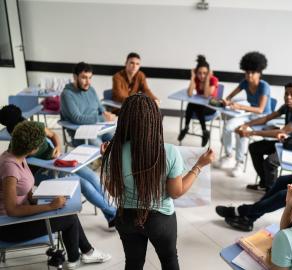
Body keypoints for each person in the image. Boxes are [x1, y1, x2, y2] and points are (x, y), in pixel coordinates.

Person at [100, 94, 215, 270]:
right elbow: (176, 192)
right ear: (154, 119)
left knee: (133, 263)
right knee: (169, 260)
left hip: (126, 218)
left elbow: (115, 192)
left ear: (123, 119)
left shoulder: (113, 152)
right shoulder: (169, 152)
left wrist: (105, 160)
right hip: (160, 220)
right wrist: (199, 165)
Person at [0, 121, 111, 270]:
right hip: (10, 226)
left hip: (20, 215)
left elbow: (25, 192)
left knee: (67, 209)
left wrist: (42, 198)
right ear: (33, 149)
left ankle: (82, 255)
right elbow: (12, 210)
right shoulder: (10, 168)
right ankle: (80, 256)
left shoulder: (17, 156)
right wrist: (49, 206)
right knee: (69, 217)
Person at [0, 105, 117, 228]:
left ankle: (112, 215)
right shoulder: (17, 150)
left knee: (93, 177)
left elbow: (53, 135)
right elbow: (20, 180)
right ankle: (115, 214)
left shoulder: (34, 127)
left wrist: (58, 147)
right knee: (84, 185)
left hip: (57, 159)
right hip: (42, 170)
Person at [236, 82, 292, 191]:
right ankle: (265, 183)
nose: (288, 97)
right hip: (288, 142)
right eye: (286, 94)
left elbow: (282, 131)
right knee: (254, 148)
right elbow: (267, 118)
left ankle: (271, 192)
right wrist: (246, 125)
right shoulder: (287, 106)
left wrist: (251, 133)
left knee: (270, 162)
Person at [214, 51, 272, 176]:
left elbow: (261, 109)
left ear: (259, 73)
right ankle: (229, 155)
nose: (249, 75)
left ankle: (239, 162)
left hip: (263, 118)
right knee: (228, 126)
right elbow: (230, 96)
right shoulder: (244, 83)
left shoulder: (264, 86)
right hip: (249, 115)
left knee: (241, 132)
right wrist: (227, 100)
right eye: (247, 72)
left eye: (252, 72)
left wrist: (239, 106)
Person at [60, 62, 116, 146]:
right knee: (103, 150)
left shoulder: (90, 89)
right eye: (84, 78)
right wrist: (102, 118)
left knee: (119, 142)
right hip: (80, 134)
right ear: (75, 77)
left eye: (90, 78)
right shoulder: (67, 94)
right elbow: (77, 118)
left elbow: (99, 106)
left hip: (98, 128)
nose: (88, 82)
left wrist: (105, 113)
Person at [177, 55, 219, 147]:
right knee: (191, 104)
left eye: (205, 73)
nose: (202, 76)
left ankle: (203, 132)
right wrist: (192, 77)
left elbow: (206, 95)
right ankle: (188, 128)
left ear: (208, 73)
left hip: (212, 106)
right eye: (199, 73)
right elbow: (190, 93)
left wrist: (207, 78)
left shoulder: (213, 80)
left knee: (196, 107)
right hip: (200, 107)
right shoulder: (196, 79)